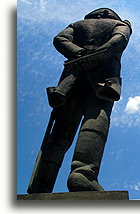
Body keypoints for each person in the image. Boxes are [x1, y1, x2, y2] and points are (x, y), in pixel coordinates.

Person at [27, 8, 132, 193]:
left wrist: (78, 53)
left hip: (70, 81)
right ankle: (82, 174)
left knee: (60, 133)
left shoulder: (77, 25)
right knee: (95, 124)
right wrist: (95, 57)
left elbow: (60, 40)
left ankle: (42, 182)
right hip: (103, 82)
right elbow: (119, 41)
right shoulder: (121, 24)